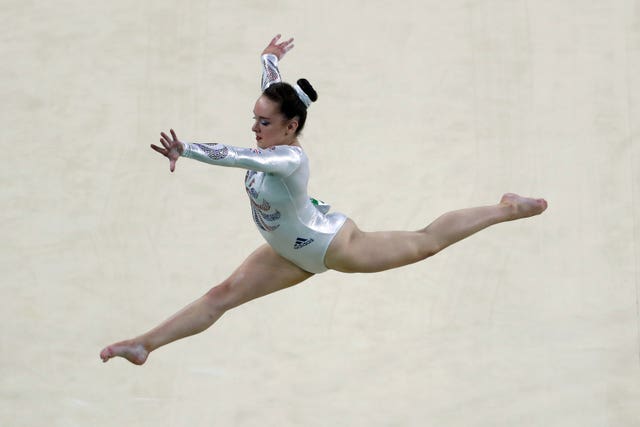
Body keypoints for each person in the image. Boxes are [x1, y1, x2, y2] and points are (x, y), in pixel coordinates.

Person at [100, 34, 547, 365]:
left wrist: (187, 149)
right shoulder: (279, 123)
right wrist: (269, 58)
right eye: (253, 119)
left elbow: (234, 157)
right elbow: (273, 88)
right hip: (285, 249)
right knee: (220, 296)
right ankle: (145, 344)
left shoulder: (285, 159)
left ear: (291, 127)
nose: (255, 128)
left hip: (333, 245)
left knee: (426, 241)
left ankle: (507, 208)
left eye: (264, 123)